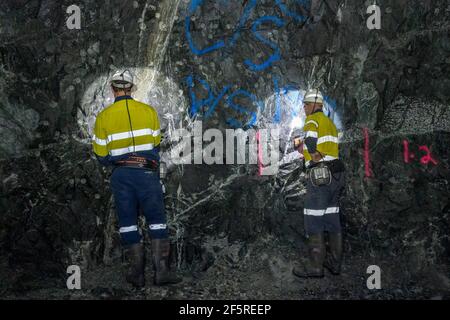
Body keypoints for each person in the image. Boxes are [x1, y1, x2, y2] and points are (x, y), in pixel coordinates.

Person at [92, 70, 181, 287]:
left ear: (113, 89)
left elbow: (101, 155)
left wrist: (117, 162)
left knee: (128, 223)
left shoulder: (103, 117)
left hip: (121, 175)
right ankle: (161, 273)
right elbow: (156, 144)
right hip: (147, 173)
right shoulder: (149, 112)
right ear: (131, 88)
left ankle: (136, 274)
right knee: (157, 220)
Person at [292, 89, 345, 278]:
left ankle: (315, 267)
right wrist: (304, 149)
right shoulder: (329, 123)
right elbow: (322, 146)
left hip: (321, 177)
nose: (304, 107)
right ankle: (334, 263)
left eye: (306, 104)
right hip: (337, 175)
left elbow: (314, 145)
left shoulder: (312, 120)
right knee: (332, 219)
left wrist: (313, 156)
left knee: (313, 218)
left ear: (315, 105)